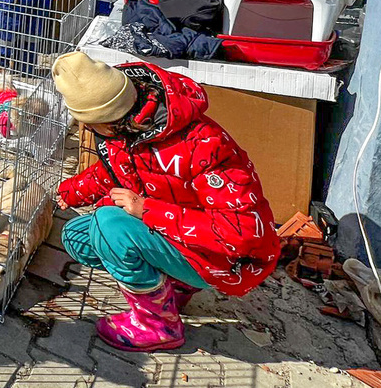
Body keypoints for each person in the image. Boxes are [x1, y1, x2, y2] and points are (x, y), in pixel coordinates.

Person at [51, 52, 280, 352]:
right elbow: (119, 169)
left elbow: (241, 232)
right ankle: (174, 286)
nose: (87, 131)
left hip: (221, 257)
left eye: (87, 124)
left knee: (109, 227)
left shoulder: (204, 145)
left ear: (104, 121)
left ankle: (158, 325)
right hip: (179, 235)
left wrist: (146, 209)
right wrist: (72, 190)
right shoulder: (127, 126)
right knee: (78, 236)